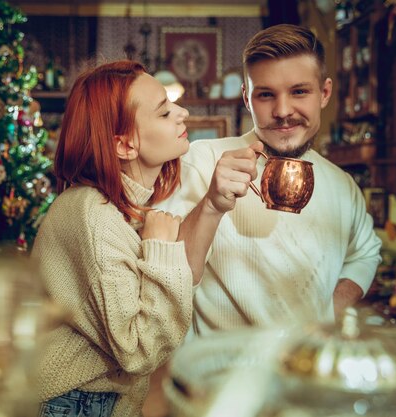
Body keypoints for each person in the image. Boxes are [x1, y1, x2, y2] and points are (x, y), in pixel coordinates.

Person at [30, 60, 259, 417]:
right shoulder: (96, 217)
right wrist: (161, 250)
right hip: (76, 403)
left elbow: (176, 281)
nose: (182, 113)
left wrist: (204, 213)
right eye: (165, 112)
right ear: (124, 146)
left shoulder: (116, 206)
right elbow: (139, 350)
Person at [158, 24, 382, 334]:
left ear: (325, 93)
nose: (282, 110)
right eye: (265, 94)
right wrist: (211, 204)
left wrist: (328, 313)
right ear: (247, 99)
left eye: (299, 91)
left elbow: (366, 253)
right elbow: (166, 280)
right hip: (220, 378)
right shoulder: (202, 161)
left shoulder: (343, 185)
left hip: (304, 375)